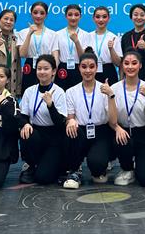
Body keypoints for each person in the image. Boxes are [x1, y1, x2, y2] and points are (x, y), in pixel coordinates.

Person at [63, 49, 117, 188]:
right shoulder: (71, 91)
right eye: (84, 67)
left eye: (92, 67)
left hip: (100, 132)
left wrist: (111, 96)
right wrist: (71, 121)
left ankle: (100, 167)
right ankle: (74, 170)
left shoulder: (105, 89)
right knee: (71, 129)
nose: (88, 70)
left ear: (97, 68)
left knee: (97, 167)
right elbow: (70, 117)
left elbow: (113, 121)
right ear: (79, 68)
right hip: (80, 131)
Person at [110, 50, 145, 187]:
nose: (130, 67)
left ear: (140, 65)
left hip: (144, 133)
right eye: (126, 63)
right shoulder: (114, 88)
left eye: (134, 63)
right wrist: (117, 128)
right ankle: (127, 169)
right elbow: (111, 120)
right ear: (122, 66)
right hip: (123, 131)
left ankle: (141, 164)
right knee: (120, 139)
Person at [18, 54, 67, 185]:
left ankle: (56, 165)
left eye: (46, 69)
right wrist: (25, 124)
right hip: (36, 133)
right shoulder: (30, 91)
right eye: (39, 68)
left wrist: (50, 105)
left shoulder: (59, 92)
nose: (42, 72)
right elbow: (23, 116)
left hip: (53, 137)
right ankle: (31, 164)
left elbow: (60, 123)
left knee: (43, 178)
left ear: (53, 71)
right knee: (26, 132)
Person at [18, 2, 59, 91]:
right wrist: (29, 34)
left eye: (42, 13)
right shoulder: (23, 32)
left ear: (46, 15)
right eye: (35, 12)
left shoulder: (53, 34)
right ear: (31, 14)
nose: (38, 16)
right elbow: (22, 54)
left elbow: (55, 56)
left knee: (45, 94)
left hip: (46, 67)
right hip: (29, 67)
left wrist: (53, 74)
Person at [84, 6, 122, 85]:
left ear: (109, 19)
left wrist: (111, 49)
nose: (101, 20)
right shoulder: (87, 36)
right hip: (91, 70)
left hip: (109, 71)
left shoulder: (114, 37)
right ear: (93, 19)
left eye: (104, 17)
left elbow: (118, 63)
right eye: (98, 17)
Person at [55, 4, 89, 90]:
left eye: (76, 15)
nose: (73, 18)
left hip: (79, 68)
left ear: (80, 16)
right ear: (66, 16)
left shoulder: (86, 35)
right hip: (62, 69)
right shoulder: (58, 34)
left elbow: (83, 57)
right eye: (70, 15)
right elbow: (56, 57)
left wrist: (76, 41)